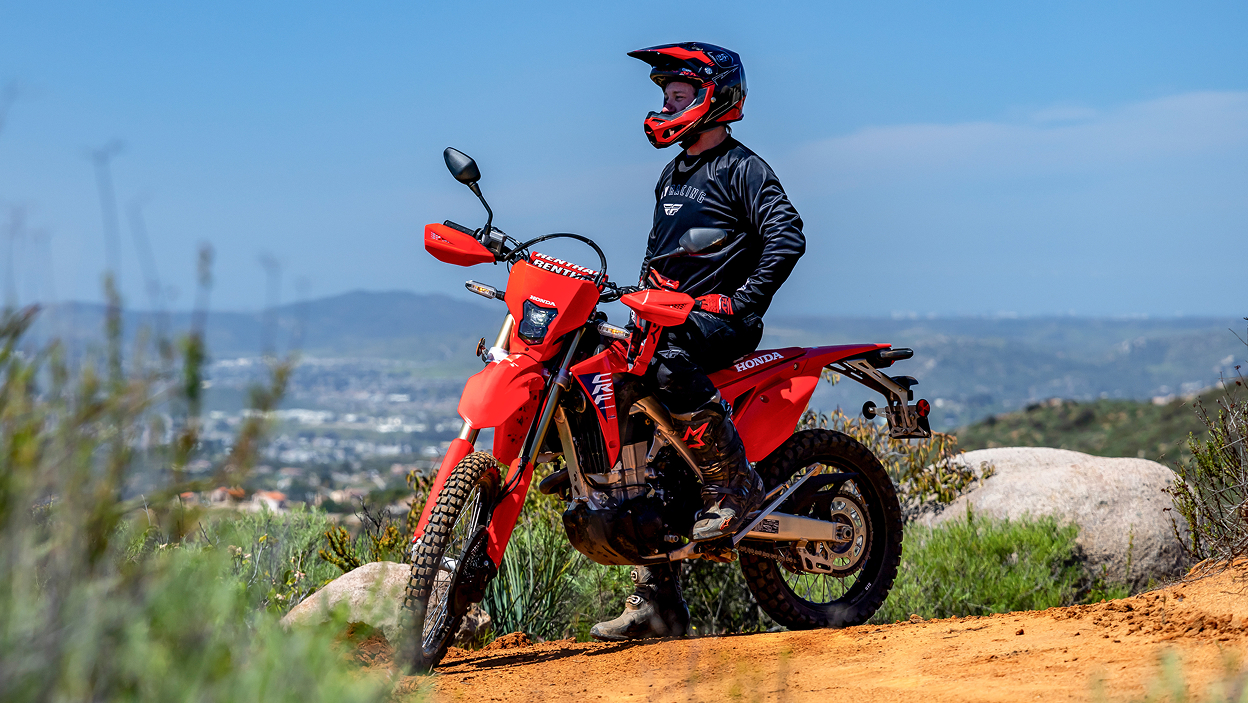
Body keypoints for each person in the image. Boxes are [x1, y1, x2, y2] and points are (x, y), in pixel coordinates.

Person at [590, 42, 806, 641]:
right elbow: (660, 254)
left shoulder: (744, 168)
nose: (666, 105)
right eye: (665, 95)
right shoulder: (672, 171)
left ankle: (732, 486)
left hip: (719, 322)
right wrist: (635, 302)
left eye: (677, 95)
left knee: (666, 368)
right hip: (666, 318)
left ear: (715, 97)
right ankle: (657, 600)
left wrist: (743, 301)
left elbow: (787, 236)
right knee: (613, 378)